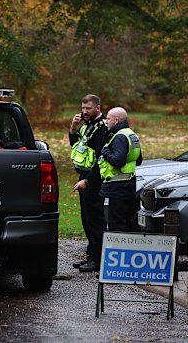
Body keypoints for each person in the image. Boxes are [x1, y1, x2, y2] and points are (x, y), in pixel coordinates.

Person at [69, 94, 108, 273]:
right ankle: (91, 255)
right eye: (83, 108)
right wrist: (73, 129)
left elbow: (101, 161)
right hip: (84, 177)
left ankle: (97, 259)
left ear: (97, 108)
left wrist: (87, 180)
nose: (84, 111)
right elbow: (77, 146)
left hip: (94, 180)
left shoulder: (101, 128)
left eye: (88, 109)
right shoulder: (87, 124)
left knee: (95, 221)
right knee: (86, 219)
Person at [99, 106, 143, 233]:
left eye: (108, 118)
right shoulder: (131, 135)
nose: (106, 121)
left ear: (116, 120)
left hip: (117, 187)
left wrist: (105, 151)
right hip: (129, 185)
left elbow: (118, 161)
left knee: (116, 223)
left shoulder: (119, 137)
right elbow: (138, 160)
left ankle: (116, 250)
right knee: (127, 221)